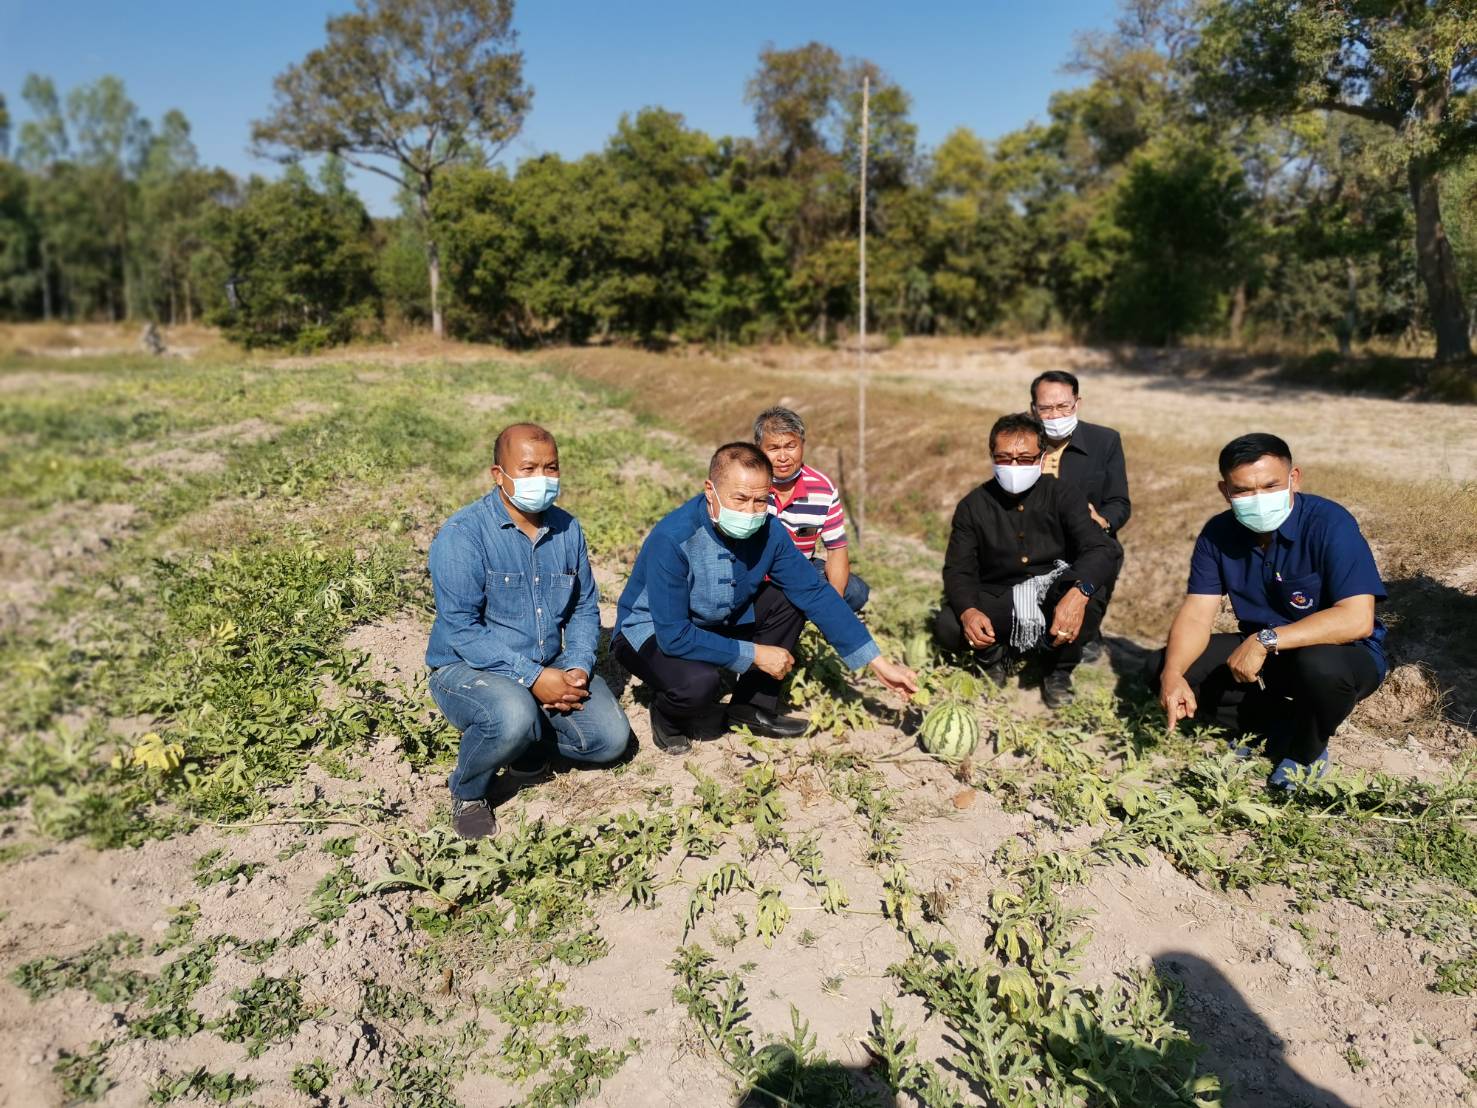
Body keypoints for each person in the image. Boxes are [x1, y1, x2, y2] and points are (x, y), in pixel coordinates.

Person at [613, 442, 918, 753]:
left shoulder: (769, 530)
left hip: (715, 620)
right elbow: (674, 637)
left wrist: (878, 663)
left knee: (790, 598)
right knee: (698, 684)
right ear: (710, 491)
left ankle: (749, 707)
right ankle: (666, 717)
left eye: (761, 501)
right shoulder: (674, 537)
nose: (751, 511)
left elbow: (813, 592)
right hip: (652, 631)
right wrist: (756, 654)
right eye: (740, 499)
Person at [426, 423, 631, 839]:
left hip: (546, 658)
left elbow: (583, 607)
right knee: (511, 714)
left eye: (551, 468)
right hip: (467, 667)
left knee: (610, 741)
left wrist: (575, 664)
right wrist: (533, 679)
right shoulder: (463, 535)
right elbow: (462, 630)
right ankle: (469, 791)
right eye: (528, 468)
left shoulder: (568, 529)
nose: (542, 479)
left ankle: (528, 739)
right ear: (498, 474)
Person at [1148, 433, 1387, 789]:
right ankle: (1276, 726)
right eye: (1243, 490)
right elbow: (1198, 613)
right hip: (1262, 654)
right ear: (1224, 490)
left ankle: (1306, 751)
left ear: (1294, 478)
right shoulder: (1218, 534)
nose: (1258, 499)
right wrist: (1172, 674)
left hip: (1338, 654)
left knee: (1320, 667)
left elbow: (1357, 619)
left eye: (1270, 485)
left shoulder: (1329, 523)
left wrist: (1266, 640)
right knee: (1162, 666)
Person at [935, 413, 1119, 708]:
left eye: (1024, 458)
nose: (1014, 466)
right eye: (1004, 458)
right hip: (997, 595)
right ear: (992, 456)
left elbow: (1100, 548)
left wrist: (1077, 595)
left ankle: (1057, 670)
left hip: (1052, 595)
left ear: (1042, 458)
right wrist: (969, 611)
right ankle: (992, 657)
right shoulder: (973, 505)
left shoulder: (1063, 494)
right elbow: (959, 568)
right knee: (949, 624)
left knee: (1089, 598)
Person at [1029, 369, 1129, 661]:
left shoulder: (1104, 441)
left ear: (1077, 403)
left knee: (1083, 605)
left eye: (1063, 406)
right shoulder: (1022, 440)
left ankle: (1086, 632)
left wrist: (1103, 520)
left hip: (1085, 544)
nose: (1055, 415)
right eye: (1046, 408)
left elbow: (1119, 502)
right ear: (1033, 408)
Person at [753, 406, 869, 612]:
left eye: (790, 446)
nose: (782, 457)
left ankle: (806, 613)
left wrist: (834, 606)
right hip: (752, 570)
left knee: (855, 591)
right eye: (773, 448)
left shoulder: (823, 489)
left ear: (802, 445)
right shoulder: (748, 481)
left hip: (798, 569)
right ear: (759, 449)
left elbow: (836, 550)